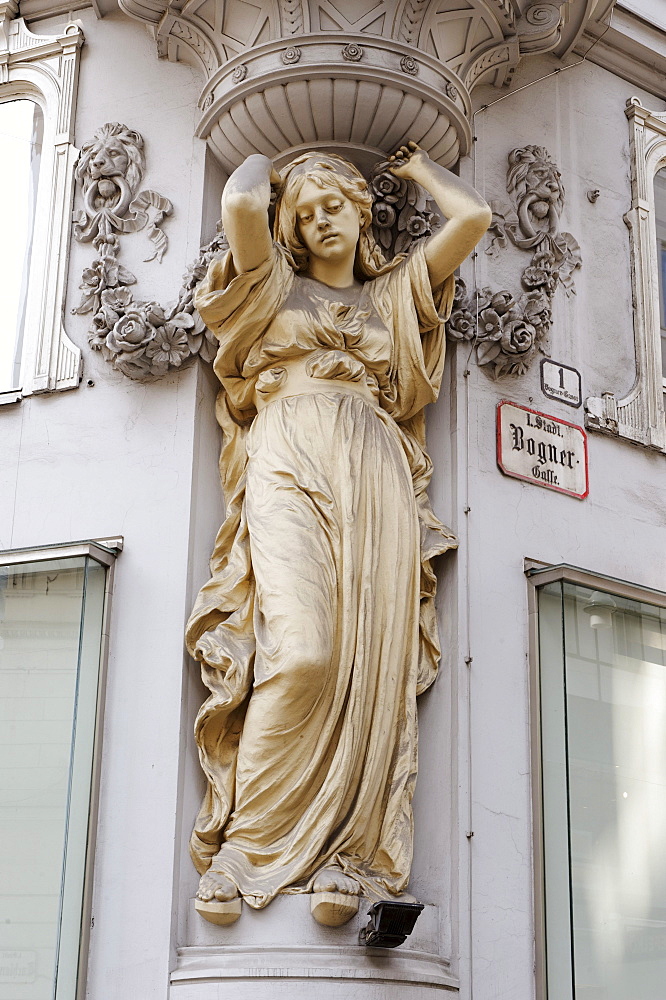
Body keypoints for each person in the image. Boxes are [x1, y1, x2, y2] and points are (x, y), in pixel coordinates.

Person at [186, 142, 491, 921]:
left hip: (374, 469)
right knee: (305, 651)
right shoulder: (271, 285)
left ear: (362, 213)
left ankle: (345, 857)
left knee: (368, 669)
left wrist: (420, 169)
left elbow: (474, 217)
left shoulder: (394, 296)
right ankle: (242, 849)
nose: (322, 221)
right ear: (291, 227)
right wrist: (267, 159)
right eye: (308, 213)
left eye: (336, 207)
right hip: (287, 451)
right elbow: (241, 205)